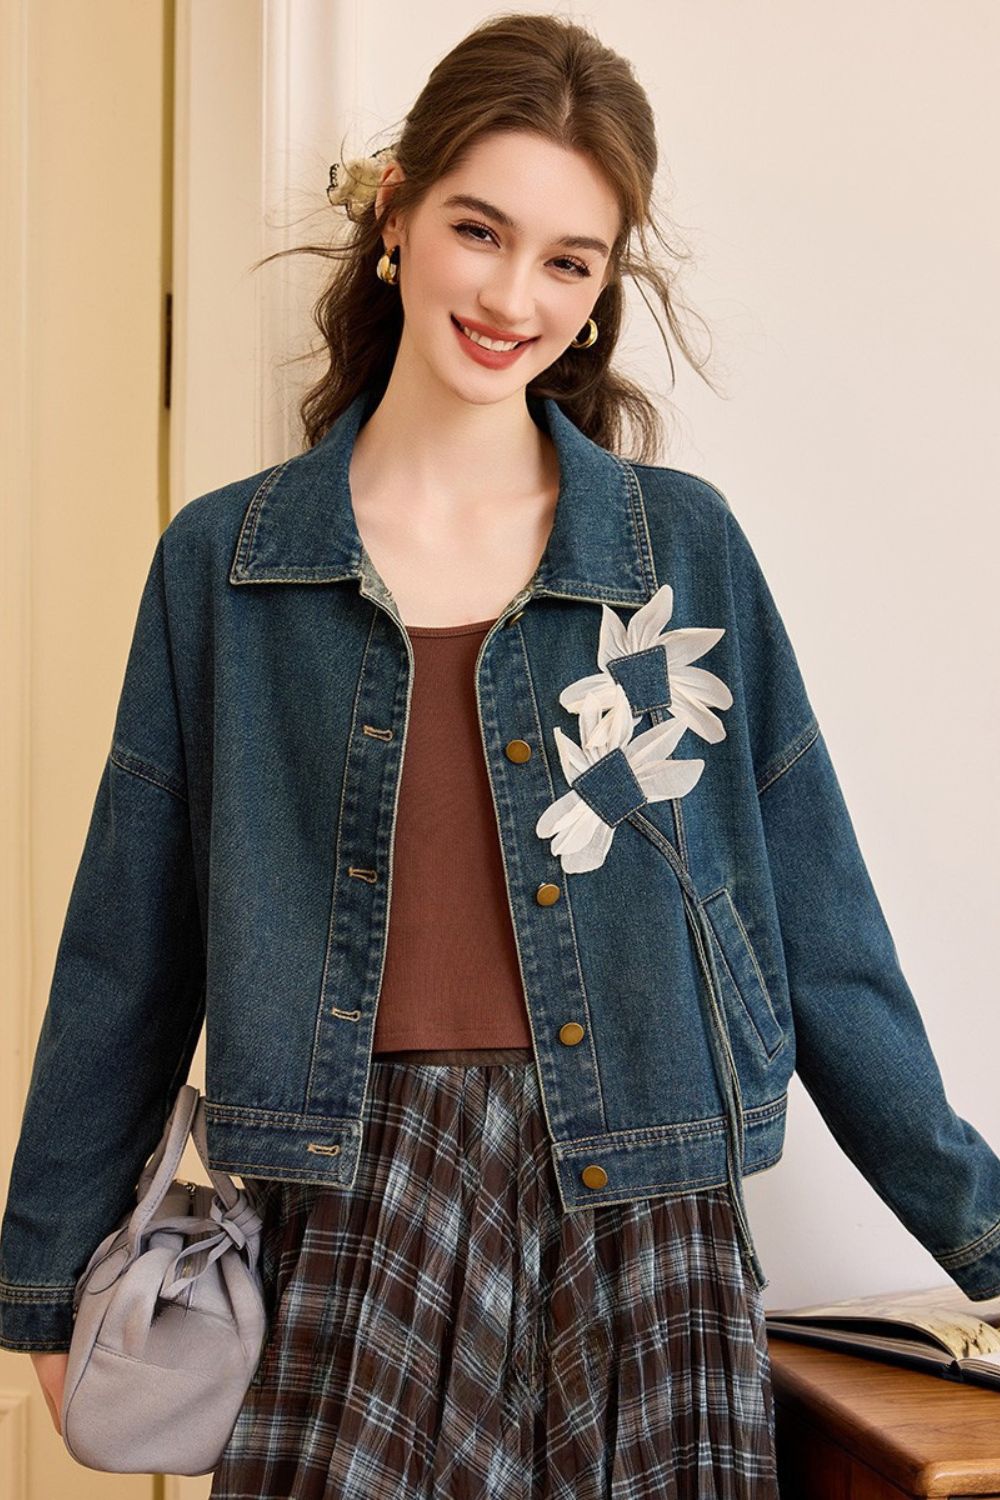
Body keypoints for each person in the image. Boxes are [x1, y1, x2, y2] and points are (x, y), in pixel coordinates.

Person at [4, 12, 1000, 1498]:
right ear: (397, 212)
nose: (513, 294)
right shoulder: (229, 569)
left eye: (569, 260)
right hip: (352, 1214)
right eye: (482, 229)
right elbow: (125, 954)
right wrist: (45, 1280)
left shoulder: (680, 557)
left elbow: (826, 941)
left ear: (602, 288)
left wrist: (979, 1235)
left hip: (648, 1227)